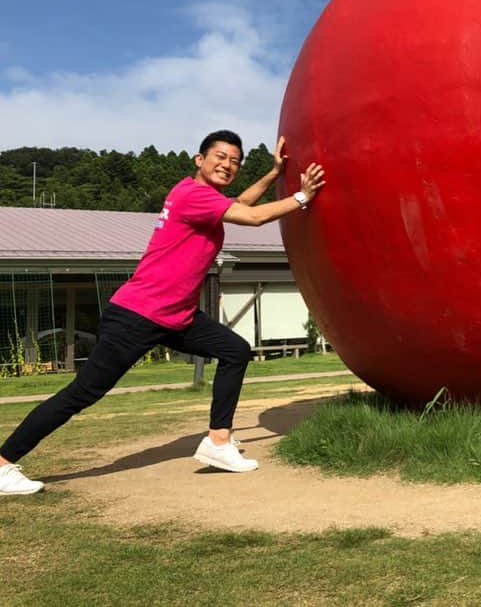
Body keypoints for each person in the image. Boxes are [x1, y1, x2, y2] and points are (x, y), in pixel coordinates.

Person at [0, 131, 325, 494]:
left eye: (235, 160)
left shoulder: (203, 200)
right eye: (220, 156)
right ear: (199, 160)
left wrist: (271, 173)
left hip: (176, 317)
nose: (228, 165)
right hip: (138, 315)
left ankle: (218, 441)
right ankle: (3, 462)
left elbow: (240, 204)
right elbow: (251, 217)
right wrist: (302, 197)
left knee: (234, 350)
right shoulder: (192, 194)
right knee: (82, 393)